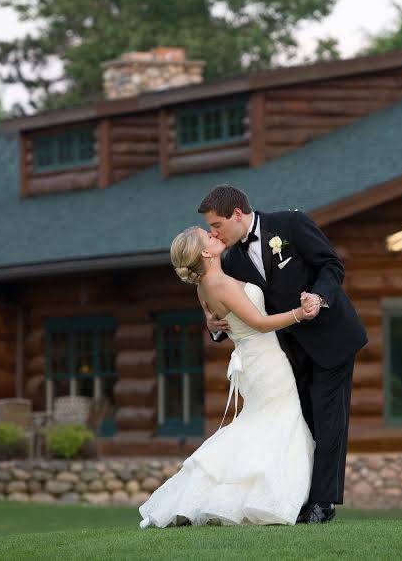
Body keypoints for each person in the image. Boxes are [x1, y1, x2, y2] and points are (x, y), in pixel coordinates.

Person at [199, 185, 367, 524]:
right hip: (287, 353)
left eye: (216, 224)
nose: (212, 232)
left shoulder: (291, 225)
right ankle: (299, 496)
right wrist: (215, 324)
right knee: (302, 421)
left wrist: (318, 297)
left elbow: (331, 265)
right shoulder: (230, 261)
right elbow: (231, 306)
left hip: (332, 337)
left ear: (236, 214)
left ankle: (322, 504)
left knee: (328, 418)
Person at [138, 226, 316, 528]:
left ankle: (229, 495)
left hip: (251, 362)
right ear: (205, 253)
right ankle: (262, 500)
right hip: (266, 361)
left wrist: (212, 323)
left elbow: (217, 322)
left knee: (261, 424)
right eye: (208, 237)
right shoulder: (219, 283)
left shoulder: (203, 286)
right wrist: (301, 313)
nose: (214, 235)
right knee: (279, 424)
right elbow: (259, 323)